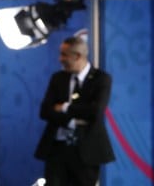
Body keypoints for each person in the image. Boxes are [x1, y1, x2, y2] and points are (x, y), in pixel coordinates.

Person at [35, 36, 115, 186]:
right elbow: (45, 111)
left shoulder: (102, 79)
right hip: (57, 150)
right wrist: (71, 121)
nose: (60, 59)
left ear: (77, 56)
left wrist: (64, 107)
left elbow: (95, 112)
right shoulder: (57, 78)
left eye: (64, 55)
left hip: (87, 152)